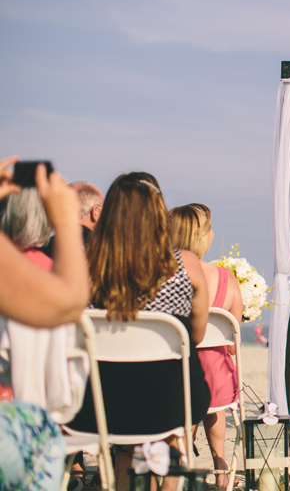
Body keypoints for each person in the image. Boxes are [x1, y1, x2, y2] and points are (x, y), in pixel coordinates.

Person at [66, 173, 211, 491]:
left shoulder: (86, 267)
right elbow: (195, 337)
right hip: (169, 404)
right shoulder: (184, 265)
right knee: (173, 403)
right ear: (158, 215)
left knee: (126, 419)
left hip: (100, 407)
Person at [0, 157, 91, 490]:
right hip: (27, 421)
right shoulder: (33, 274)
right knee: (40, 435)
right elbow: (69, 301)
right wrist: (68, 222)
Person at [168, 203, 243, 489]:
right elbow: (233, 347)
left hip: (175, 374)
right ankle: (220, 464)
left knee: (190, 394)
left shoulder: (163, 279)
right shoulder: (227, 279)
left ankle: (182, 463)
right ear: (202, 237)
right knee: (215, 401)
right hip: (217, 382)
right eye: (210, 229)